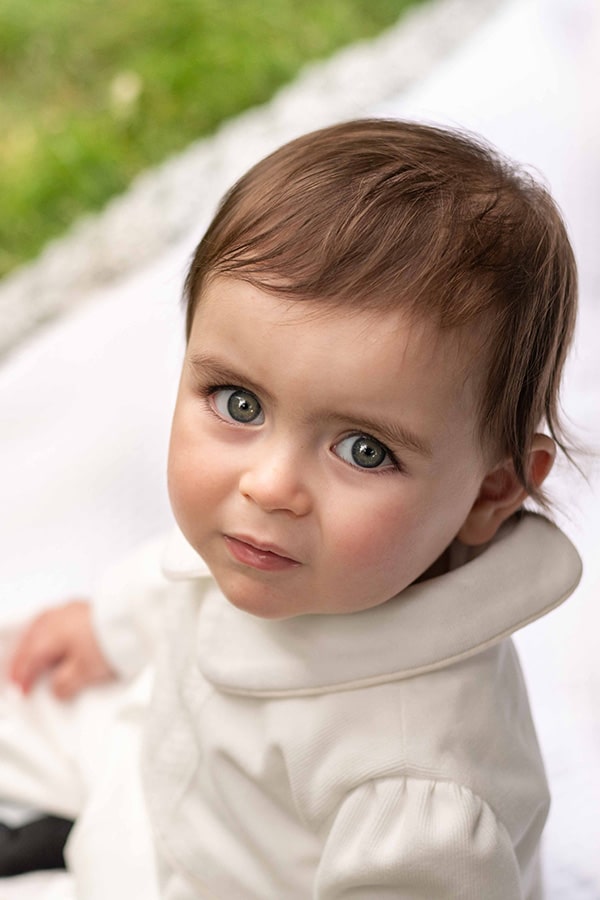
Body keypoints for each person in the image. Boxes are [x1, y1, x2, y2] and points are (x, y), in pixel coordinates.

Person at [0, 119, 582, 898]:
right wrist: (107, 628)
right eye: (238, 402)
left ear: (490, 492)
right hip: (160, 777)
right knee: (24, 683)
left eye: (364, 450)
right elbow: (178, 581)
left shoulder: (419, 789)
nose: (269, 485)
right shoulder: (276, 546)